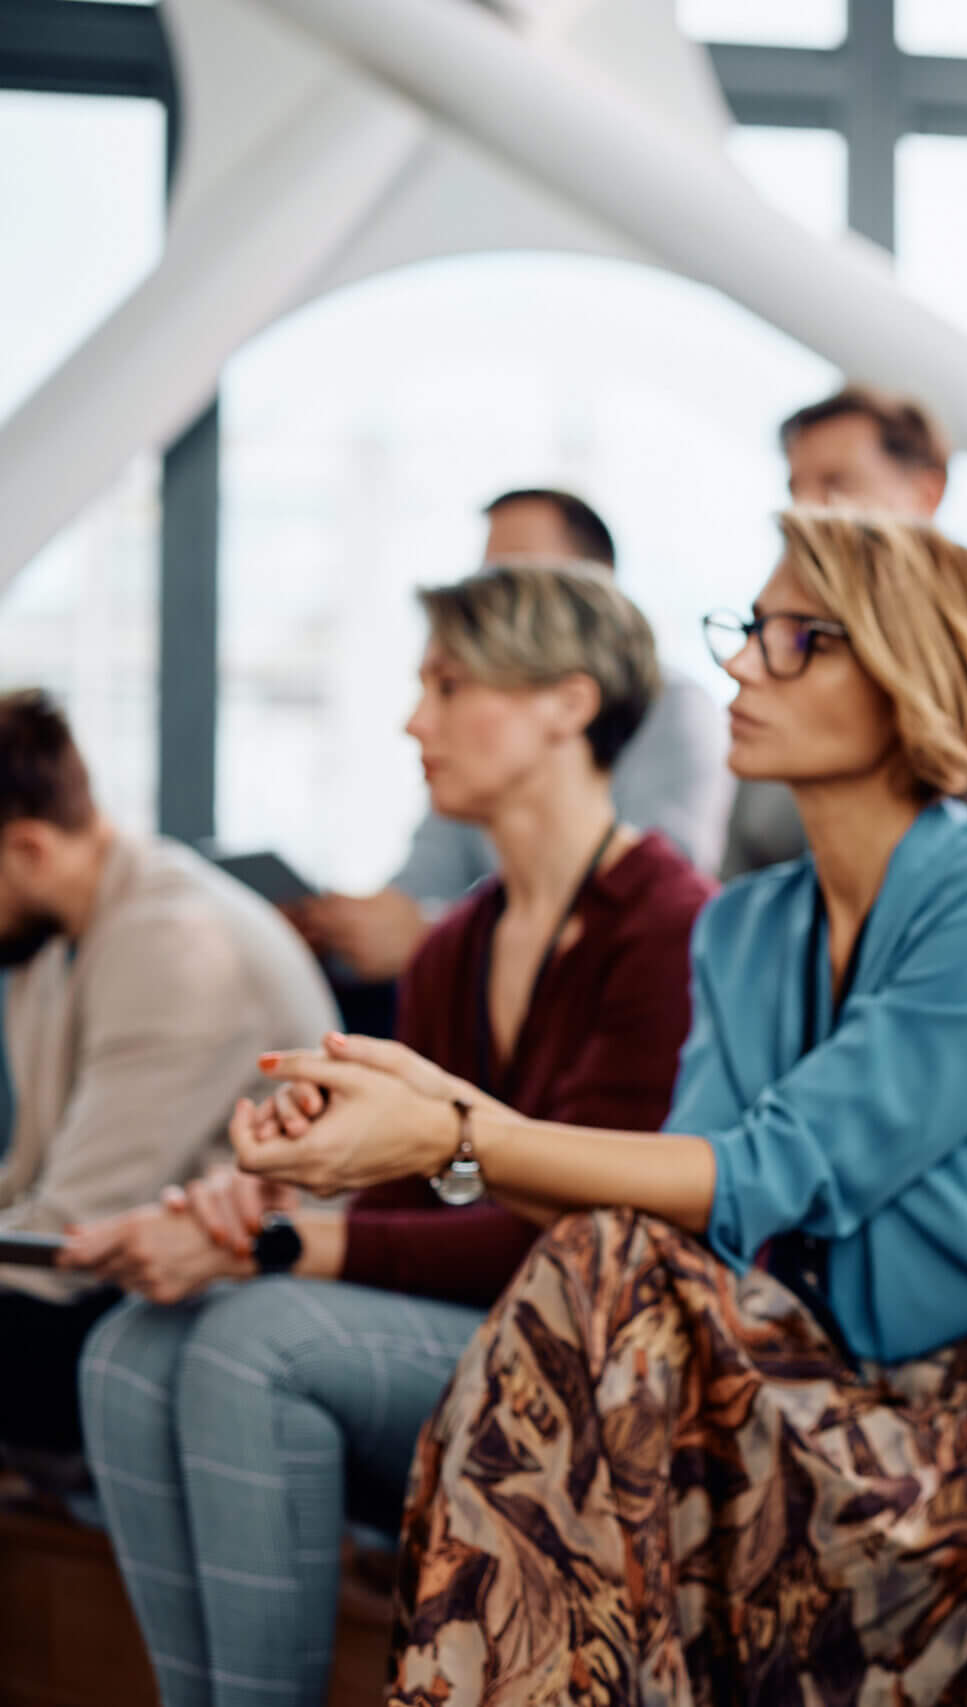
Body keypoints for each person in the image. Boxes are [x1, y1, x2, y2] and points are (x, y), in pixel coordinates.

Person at [230, 511, 967, 1703]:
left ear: (911, 671)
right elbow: (692, 1202)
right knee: (607, 1258)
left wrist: (458, 1134)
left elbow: (774, 1172)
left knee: (600, 1270)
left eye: (797, 640)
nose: (741, 663)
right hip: (837, 1400)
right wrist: (439, 1110)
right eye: (749, 630)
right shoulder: (749, 924)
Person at [61, 563, 709, 1707]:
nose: (417, 720)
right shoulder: (459, 943)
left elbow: (590, 1240)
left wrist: (286, 1249)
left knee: (246, 1341)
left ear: (566, 703)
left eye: (450, 685)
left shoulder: (669, 925)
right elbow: (422, 1208)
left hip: (602, 1361)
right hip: (465, 1331)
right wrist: (265, 1213)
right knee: (126, 1350)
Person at [0, 692, 336, 1463]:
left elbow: (68, 1232)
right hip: (132, 1273)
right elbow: (31, 1180)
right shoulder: (53, 940)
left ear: (27, 849)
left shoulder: (173, 945)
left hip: (239, 1290)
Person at [295, 488, 731, 984]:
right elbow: (423, 880)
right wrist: (342, 927)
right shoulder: (471, 773)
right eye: (487, 574)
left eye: (519, 572)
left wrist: (429, 933)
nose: (491, 596)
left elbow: (652, 881)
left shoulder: (676, 710)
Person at [719, 384, 967, 886]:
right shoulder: (773, 683)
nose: (807, 510)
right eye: (795, 489)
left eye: (836, 484)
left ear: (926, 494)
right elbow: (734, 880)